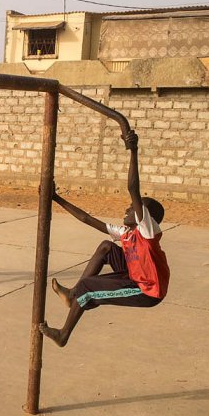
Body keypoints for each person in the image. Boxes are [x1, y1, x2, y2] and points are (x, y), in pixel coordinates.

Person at [39, 131, 169, 347]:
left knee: (88, 287)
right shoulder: (127, 234)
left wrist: (133, 151)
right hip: (134, 275)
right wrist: (56, 198)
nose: (127, 210)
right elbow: (87, 219)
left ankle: (63, 335)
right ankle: (73, 294)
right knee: (107, 247)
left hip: (147, 291)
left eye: (131, 210)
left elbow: (133, 189)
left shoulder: (147, 231)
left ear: (143, 216)